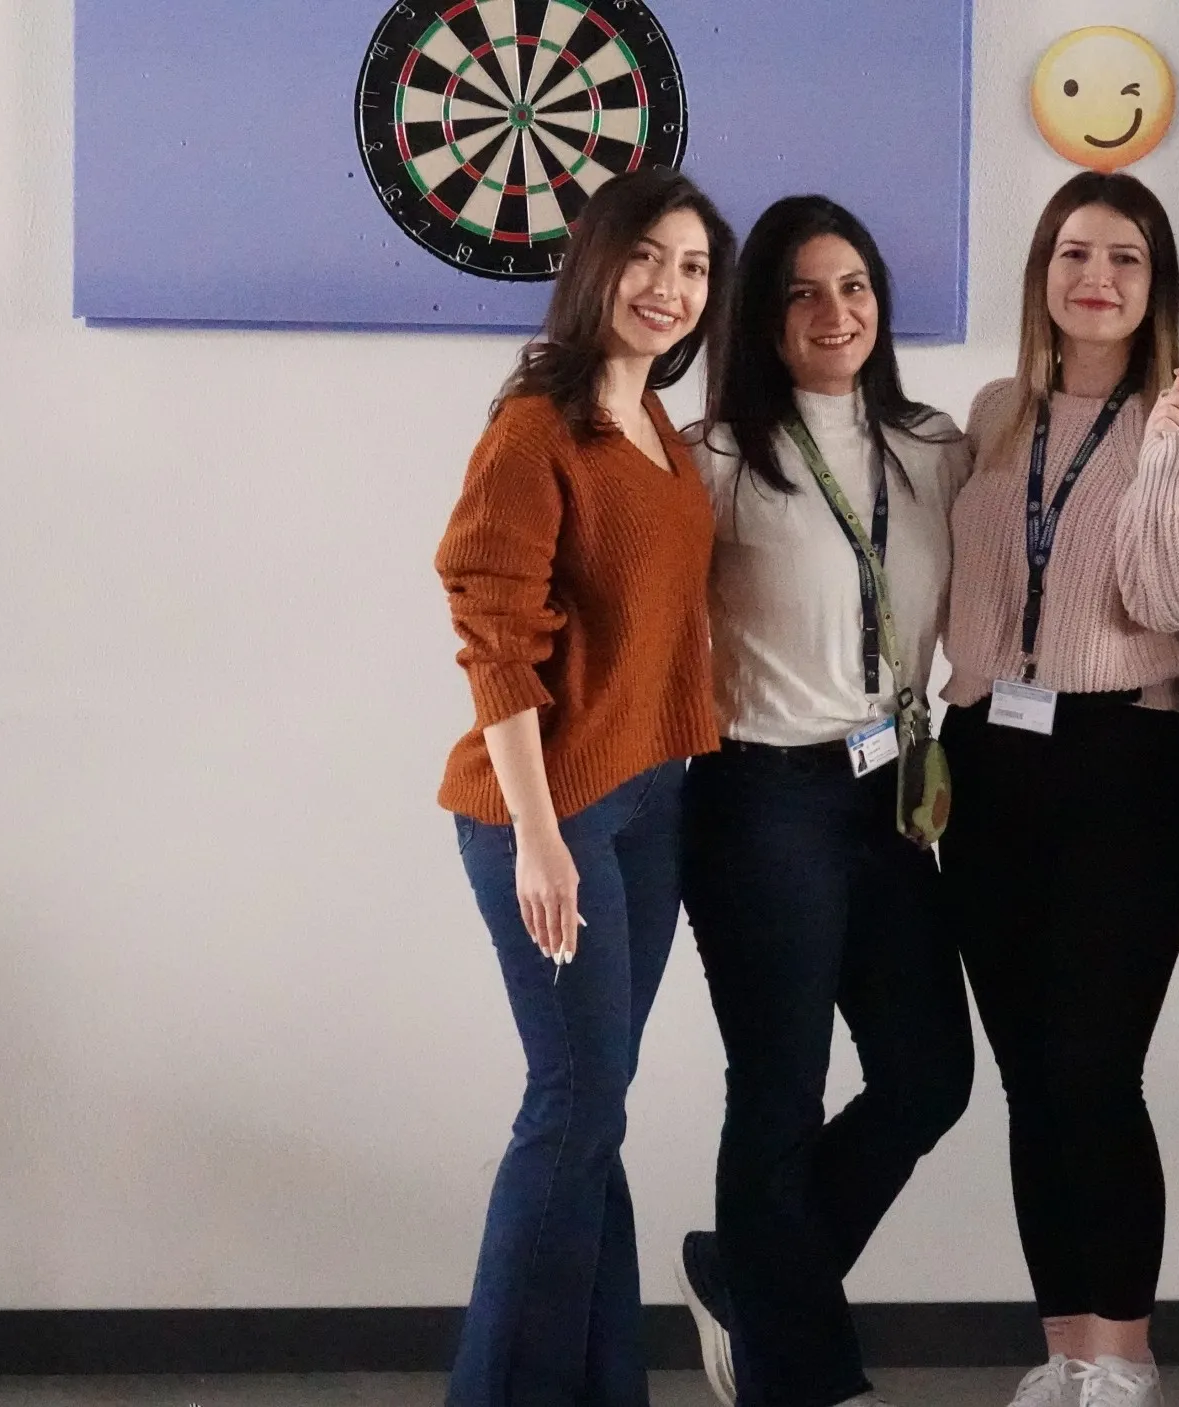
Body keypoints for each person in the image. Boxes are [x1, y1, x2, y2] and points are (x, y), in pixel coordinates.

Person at [939, 171, 1179, 1407]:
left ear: (1157, 284)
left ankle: (1124, 1359)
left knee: (1093, 1072)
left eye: (1125, 257)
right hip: (984, 761)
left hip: (1124, 763)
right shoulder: (994, 412)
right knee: (1028, 1079)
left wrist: (1167, 464)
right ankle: (1066, 1349)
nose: (1096, 278)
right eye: (1074, 253)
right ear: (1042, 272)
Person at [433, 167, 736, 1407]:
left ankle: (604, 1386)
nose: (670, 287)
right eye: (648, 257)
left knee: (594, 1104)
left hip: (651, 803)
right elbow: (493, 640)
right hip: (548, 812)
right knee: (568, 1104)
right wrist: (539, 836)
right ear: (597, 264)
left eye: (694, 268)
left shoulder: (660, 426)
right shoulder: (534, 430)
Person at [670, 195, 976, 1407]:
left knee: (929, 1077)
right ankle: (805, 1379)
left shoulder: (933, 445)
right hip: (765, 798)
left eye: (852, 286)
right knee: (779, 1092)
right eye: (800, 291)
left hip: (890, 795)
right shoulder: (717, 457)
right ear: (760, 316)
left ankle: (748, 1279)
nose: (833, 311)